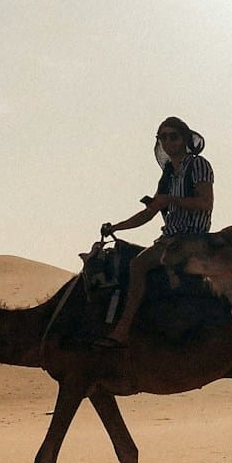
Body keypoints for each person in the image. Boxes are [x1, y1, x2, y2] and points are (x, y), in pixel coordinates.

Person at [95, 117, 214, 348]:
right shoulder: (169, 172)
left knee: (138, 265)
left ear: (185, 138)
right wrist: (117, 227)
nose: (168, 141)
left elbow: (205, 203)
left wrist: (171, 200)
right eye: (163, 137)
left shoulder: (198, 165)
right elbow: (149, 213)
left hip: (192, 238)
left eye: (173, 136)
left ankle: (123, 329)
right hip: (169, 237)